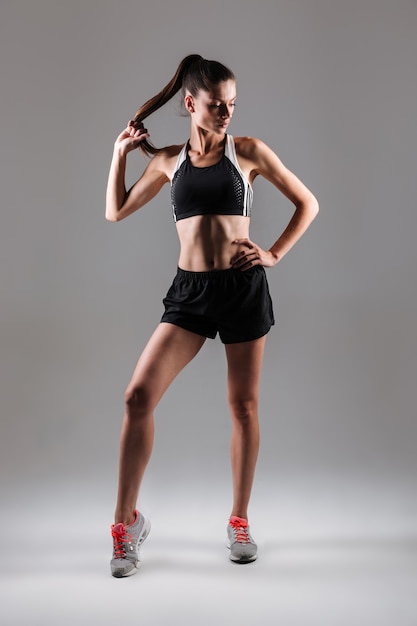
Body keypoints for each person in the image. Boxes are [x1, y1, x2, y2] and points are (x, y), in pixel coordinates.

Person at [105, 54, 319, 578]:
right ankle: (125, 523)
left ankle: (240, 521)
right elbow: (115, 210)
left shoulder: (249, 153)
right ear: (190, 103)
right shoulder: (169, 162)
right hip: (190, 294)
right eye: (217, 104)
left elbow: (307, 203)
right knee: (137, 397)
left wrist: (271, 253)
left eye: (232, 105)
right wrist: (119, 154)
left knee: (243, 407)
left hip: (242, 288)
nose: (227, 113)